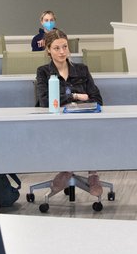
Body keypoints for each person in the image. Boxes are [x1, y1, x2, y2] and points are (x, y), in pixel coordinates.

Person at [35, 29, 105, 198]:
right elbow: (45, 101)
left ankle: (91, 174)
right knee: (72, 132)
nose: (62, 52)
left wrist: (68, 100)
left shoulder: (81, 69)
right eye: (57, 48)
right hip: (57, 122)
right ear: (49, 50)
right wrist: (75, 96)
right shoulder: (44, 72)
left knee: (88, 129)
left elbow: (97, 98)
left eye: (65, 47)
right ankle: (67, 169)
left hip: (82, 120)